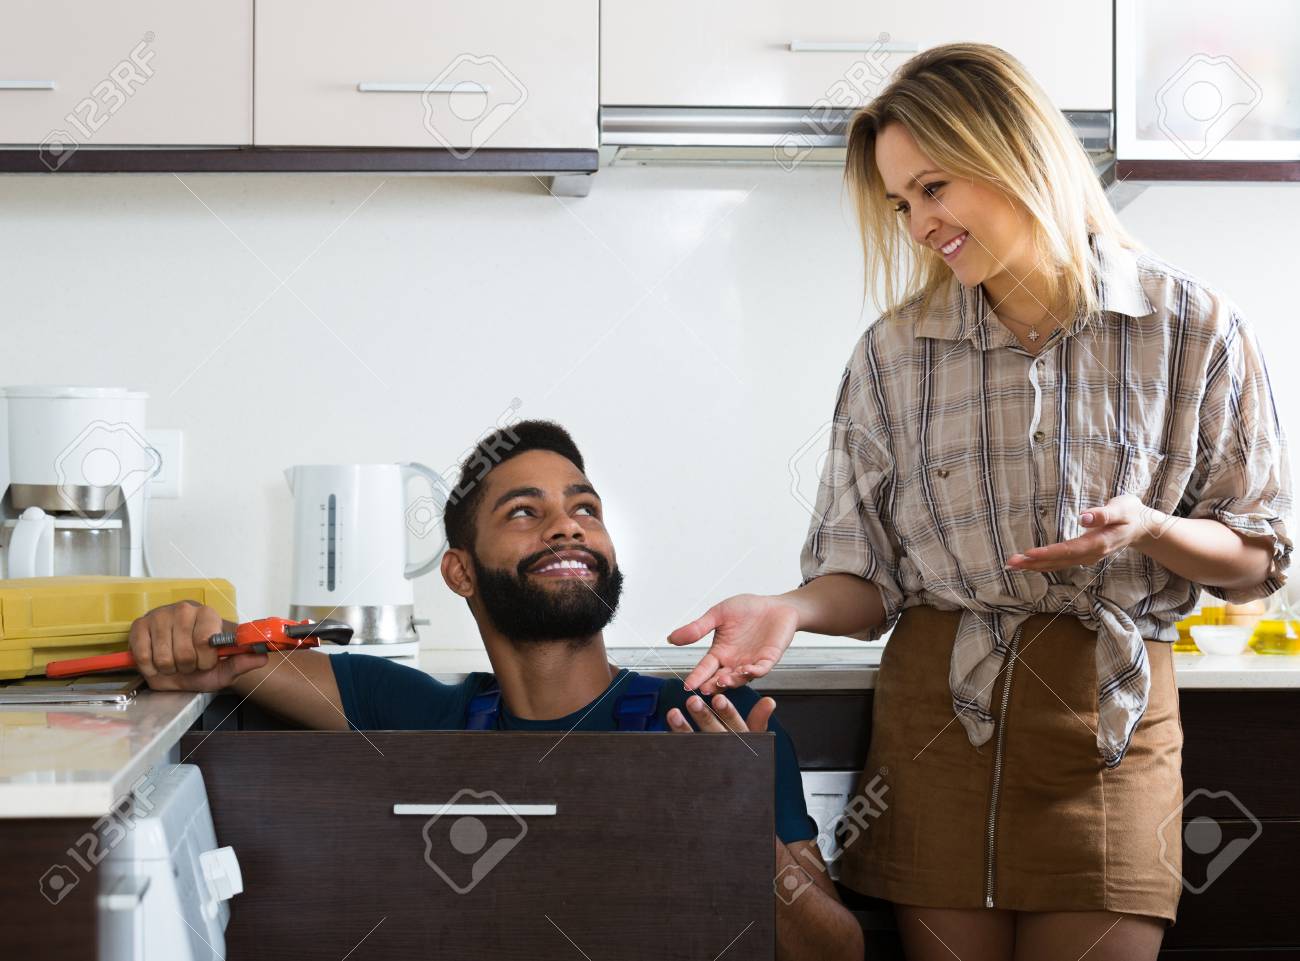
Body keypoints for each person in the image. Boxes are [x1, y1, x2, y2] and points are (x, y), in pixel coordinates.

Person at [669, 43, 1292, 961]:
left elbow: (1257, 560)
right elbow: (870, 579)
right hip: (937, 723)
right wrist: (791, 608)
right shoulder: (893, 352)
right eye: (901, 203)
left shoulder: (1195, 326)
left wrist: (1153, 531)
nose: (919, 223)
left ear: (1012, 152)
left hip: (1109, 726)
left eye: (934, 187)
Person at [131, 420, 863, 961]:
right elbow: (229, 659)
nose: (566, 527)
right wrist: (188, 630)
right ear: (459, 572)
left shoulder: (709, 727)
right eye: (524, 512)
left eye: (585, 509)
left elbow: (836, 954)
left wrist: (739, 822)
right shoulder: (431, 715)